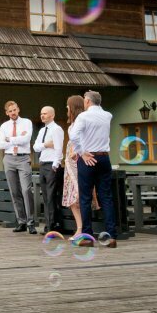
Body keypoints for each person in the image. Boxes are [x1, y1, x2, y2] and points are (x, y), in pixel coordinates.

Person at [69, 90, 118, 247]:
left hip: (88, 158)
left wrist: (82, 153)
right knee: (106, 197)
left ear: (88, 101)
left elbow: (73, 136)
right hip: (104, 157)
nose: (84, 102)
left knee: (85, 198)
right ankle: (111, 236)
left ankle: (87, 237)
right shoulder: (108, 115)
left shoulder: (83, 117)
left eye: (84, 99)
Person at [0, 100, 36, 234]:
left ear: (18, 109)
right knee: (14, 192)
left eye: (15, 110)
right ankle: (21, 222)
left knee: (26, 190)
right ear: (7, 113)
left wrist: (9, 139)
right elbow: (0, 145)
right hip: (8, 159)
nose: (13, 113)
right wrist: (16, 139)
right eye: (10, 111)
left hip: (23, 158)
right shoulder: (4, 126)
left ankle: (31, 222)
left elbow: (26, 140)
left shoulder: (27, 122)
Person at [33, 105, 65, 233]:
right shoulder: (42, 131)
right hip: (43, 164)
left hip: (52, 164)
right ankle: (48, 224)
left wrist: (55, 165)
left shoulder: (57, 129)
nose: (42, 115)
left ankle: (52, 225)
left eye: (45, 113)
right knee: (46, 197)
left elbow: (58, 148)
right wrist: (46, 144)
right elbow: (35, 147)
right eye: (41, 113)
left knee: (52, 196)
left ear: (52, 115)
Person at [62, 95, 85, 235]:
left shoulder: (82, 122)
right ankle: (80, 228)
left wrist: (75, 151)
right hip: (70, 163)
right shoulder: (72, 124)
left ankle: (83, 228)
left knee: (79, 196)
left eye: (68, 105)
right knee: (72, 198)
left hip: (78, 161)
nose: (66, 107)